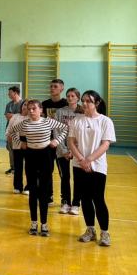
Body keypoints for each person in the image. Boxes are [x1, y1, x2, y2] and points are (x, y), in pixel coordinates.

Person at [7, 99, 68, 237]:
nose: (31, 111)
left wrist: (57, 141)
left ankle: (44, 224)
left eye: (34, 108)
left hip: (45, 156)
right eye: (29, 108)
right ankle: (34, 223)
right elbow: (12, 131)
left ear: (41, 110)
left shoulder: (48, 121)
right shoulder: (24, 123)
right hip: (30, 156)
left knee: (44, 192)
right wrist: (20, 143)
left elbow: (65, 128)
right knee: (33, 190)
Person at [68, 90, 116, 247]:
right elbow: (71, 142)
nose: (85, 103)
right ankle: (90, 230)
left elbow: (105, 144)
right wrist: (82, 160)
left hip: (98, 166)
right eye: (83, 100)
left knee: (98, 198)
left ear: (97, 103)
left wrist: (89, 159)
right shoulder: (76, 120)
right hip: (79, 165)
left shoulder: (105, 121)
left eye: (88, 101)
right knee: (85, 199)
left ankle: (105, 232)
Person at [55, 88, 83, 215]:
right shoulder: (60, 112)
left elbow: (82, 134)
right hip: (62, 150)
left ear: (78, 98)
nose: (70, 98)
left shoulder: (82, 113)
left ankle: (76, 203)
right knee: (65, 177)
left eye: (72, 96)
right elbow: (56, 132)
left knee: (78, 178)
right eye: (68, 96)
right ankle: (65, 202)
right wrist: (64, 150)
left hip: (78, 151)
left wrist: (74, 150)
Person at [42, 79, 68, 206]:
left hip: (62, 142)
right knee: (47, 171)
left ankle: (65, 199)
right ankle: (48, 196)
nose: (52, 88)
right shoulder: (44, 104)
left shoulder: (66, 104)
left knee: (64, 173)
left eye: (55, 86)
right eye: (51, 86)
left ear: (61, 88)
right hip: (47, 142)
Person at [6, 101, 29, 194]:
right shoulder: (15, 117)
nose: (25, 106)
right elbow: (9, 130)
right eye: (24, 104)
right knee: (18, 166)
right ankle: (17, 186)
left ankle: (28, 187)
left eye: (28, 105)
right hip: (16, 143)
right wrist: (9, 137)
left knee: (29, 167)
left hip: (29, 144)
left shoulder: (31, 117)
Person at [4, 86, 24, 175]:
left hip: (21, 131)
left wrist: (13, 116)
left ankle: (20, 167)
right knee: (10, 149)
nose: (8, 94)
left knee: (20, 150)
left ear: (15, 93)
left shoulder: (23, 103)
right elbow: (7, 116)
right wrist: (16, 115)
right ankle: (13, 168)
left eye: (10, 93)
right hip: (10, 130)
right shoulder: (9, 104)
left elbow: (23, 116)